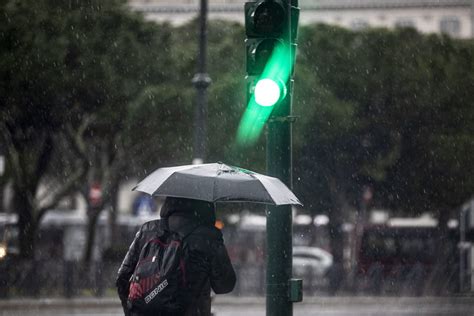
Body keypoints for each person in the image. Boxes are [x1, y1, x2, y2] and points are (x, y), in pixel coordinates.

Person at [116, 197, 236, 316]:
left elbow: (122, 277)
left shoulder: (147, 230)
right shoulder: (208, 237)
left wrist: (133, 310)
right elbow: (225, 285)